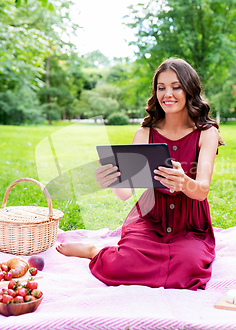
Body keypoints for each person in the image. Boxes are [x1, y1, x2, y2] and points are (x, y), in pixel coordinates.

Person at [57, 58, 224, 290]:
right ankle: (96, 251)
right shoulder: (144, 133)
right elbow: (125, 193)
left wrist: (184, 181)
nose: (168, 94)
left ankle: (171, 256)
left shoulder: (206, 133)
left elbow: (202, 190)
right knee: (121, 265)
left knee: (189, 269)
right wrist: (112, 179)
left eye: (176, 86)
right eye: (161, 87)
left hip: (189, 226)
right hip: (151, 219)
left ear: (189, 89)